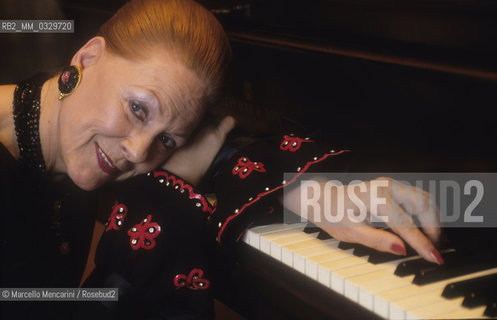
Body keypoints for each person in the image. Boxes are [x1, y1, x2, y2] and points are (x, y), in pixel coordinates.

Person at [0, 0, 443, 318]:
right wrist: (167, 201)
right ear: (88, 56)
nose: (138, 152)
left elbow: (217, 143)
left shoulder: (60, 108)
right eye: (136, 108)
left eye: (168, 142)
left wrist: (304, 188)